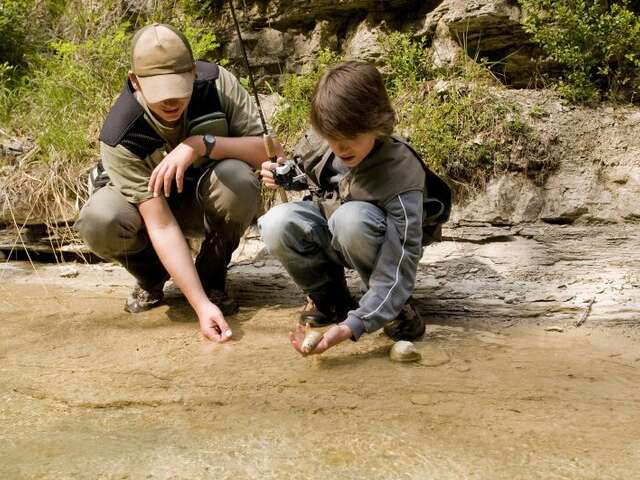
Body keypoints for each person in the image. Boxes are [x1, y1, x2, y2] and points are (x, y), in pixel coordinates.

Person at [76, 23, 283, 342]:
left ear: (192, 72)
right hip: (149, 214)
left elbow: (270, 152)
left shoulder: (217, 83)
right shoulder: (120, 134)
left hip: (208, 196)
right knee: (99, 218)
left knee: (238, 180)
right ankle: (152, 276)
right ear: (135, 80)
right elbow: (160, 225)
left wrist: (200, 144)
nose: (170, 103)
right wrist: (200, 308)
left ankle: (211, 278)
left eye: (178, 89)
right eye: (160, 94)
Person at [259, 61, 451, 356]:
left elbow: (402, 257)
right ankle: (330, 301)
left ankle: (394, 310)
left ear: (377, 125)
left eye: (350, 140)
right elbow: (306, 173)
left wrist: (353, 326)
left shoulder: (401, 171)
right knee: (276, 222)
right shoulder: (324, 141)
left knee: (351, 220)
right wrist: (283, 174)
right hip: (333, 230)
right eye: (333, 140)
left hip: (376, 245)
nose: (341, 148)